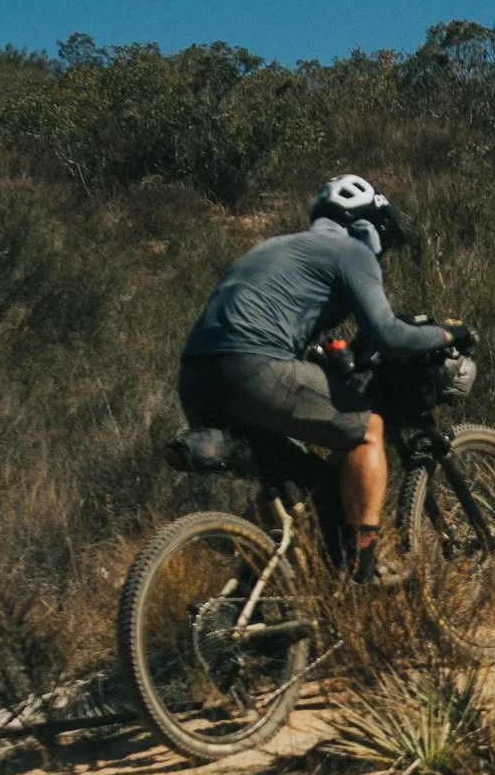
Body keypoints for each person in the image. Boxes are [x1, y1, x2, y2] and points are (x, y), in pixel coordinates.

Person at [178, 174, 475, 580]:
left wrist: (319, 358)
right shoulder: (351, 251)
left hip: (196, 378)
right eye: (383, 239)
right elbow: (386, 334)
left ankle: (271, 596)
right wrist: (446, 333)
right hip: (253, 366)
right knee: (368, 429)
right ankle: (362, 573)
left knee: (300, 480)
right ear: (366, 224)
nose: (382, 252)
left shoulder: (273, 247)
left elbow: (265, 321)